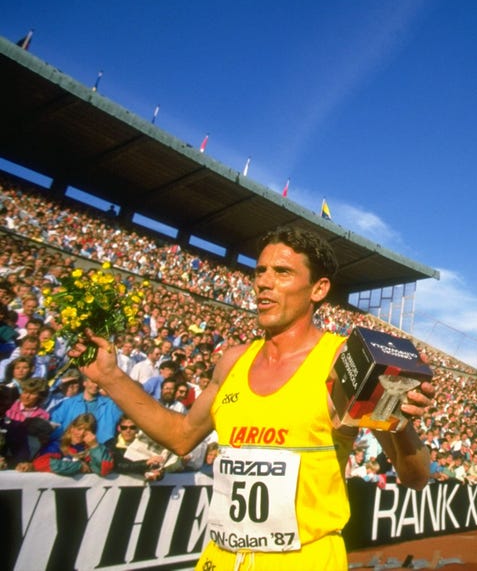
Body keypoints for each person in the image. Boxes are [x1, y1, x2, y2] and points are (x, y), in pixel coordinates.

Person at [78, 226, 434, 570]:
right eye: (259, 271)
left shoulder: (343, 360)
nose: (263, 282)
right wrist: (110, 376)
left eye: (282, 272)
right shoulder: (232, 359)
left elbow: (415, 477)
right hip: (222, 557)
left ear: (318, 289)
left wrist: (399, 422)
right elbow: (181, 436)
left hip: (305, 561)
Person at [18, 412, 114, 476]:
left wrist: (94, 446)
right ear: (72, 428)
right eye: (79, 429)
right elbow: (40, 463)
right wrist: (78, 466)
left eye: (87, 430)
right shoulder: (57, 445)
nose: (81, 434)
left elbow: (103, 470)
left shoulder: (98, 449)